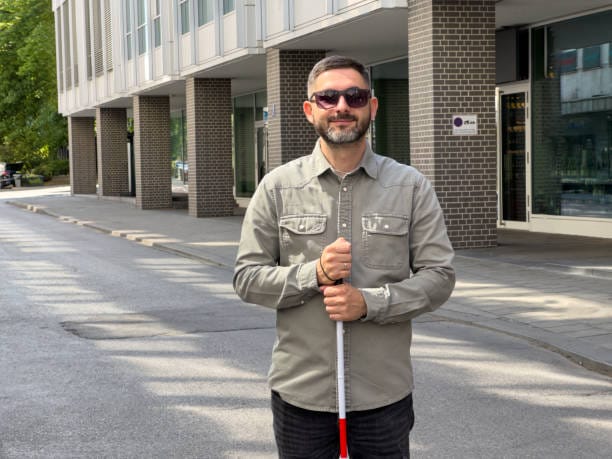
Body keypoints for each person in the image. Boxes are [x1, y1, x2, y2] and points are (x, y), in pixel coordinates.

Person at [233, 55, 455, 458]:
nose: (341, 107)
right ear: (309, 109)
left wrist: (369, 303)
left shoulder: (409, 186)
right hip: (302, 396)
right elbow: (247, 278)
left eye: (354, 96)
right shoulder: (277, 187)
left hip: (381, 397)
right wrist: (313, 273)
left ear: (372, 107)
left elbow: (439, 276)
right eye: (328, 97)